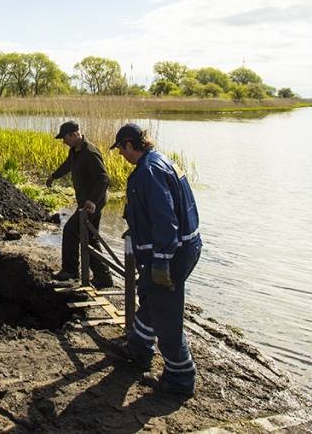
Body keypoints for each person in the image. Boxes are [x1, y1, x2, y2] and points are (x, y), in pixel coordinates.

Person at [111, 122, 202, 396]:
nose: (121, 155)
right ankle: (139, 349)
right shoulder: (160, 161)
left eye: (121, 149)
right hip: (181, 247)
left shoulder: (149, 171)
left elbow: (165, 220)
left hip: (171, 254)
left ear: (130, 144)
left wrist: (161, 261)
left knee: (166, 314)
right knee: (151, 298)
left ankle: (180, 378)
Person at [46, 120, 113, 288]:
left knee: (70, 231)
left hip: (93, 203)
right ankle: (103, 277)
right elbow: (68, 166)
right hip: (86, 201)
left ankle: (70, 271)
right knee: (90, 238)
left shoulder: (90, 152)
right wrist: (54, 176)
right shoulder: (75, 151)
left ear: (75, 134)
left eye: (65, 138)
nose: (63, 141)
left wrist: (92, 200)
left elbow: (104, 178)